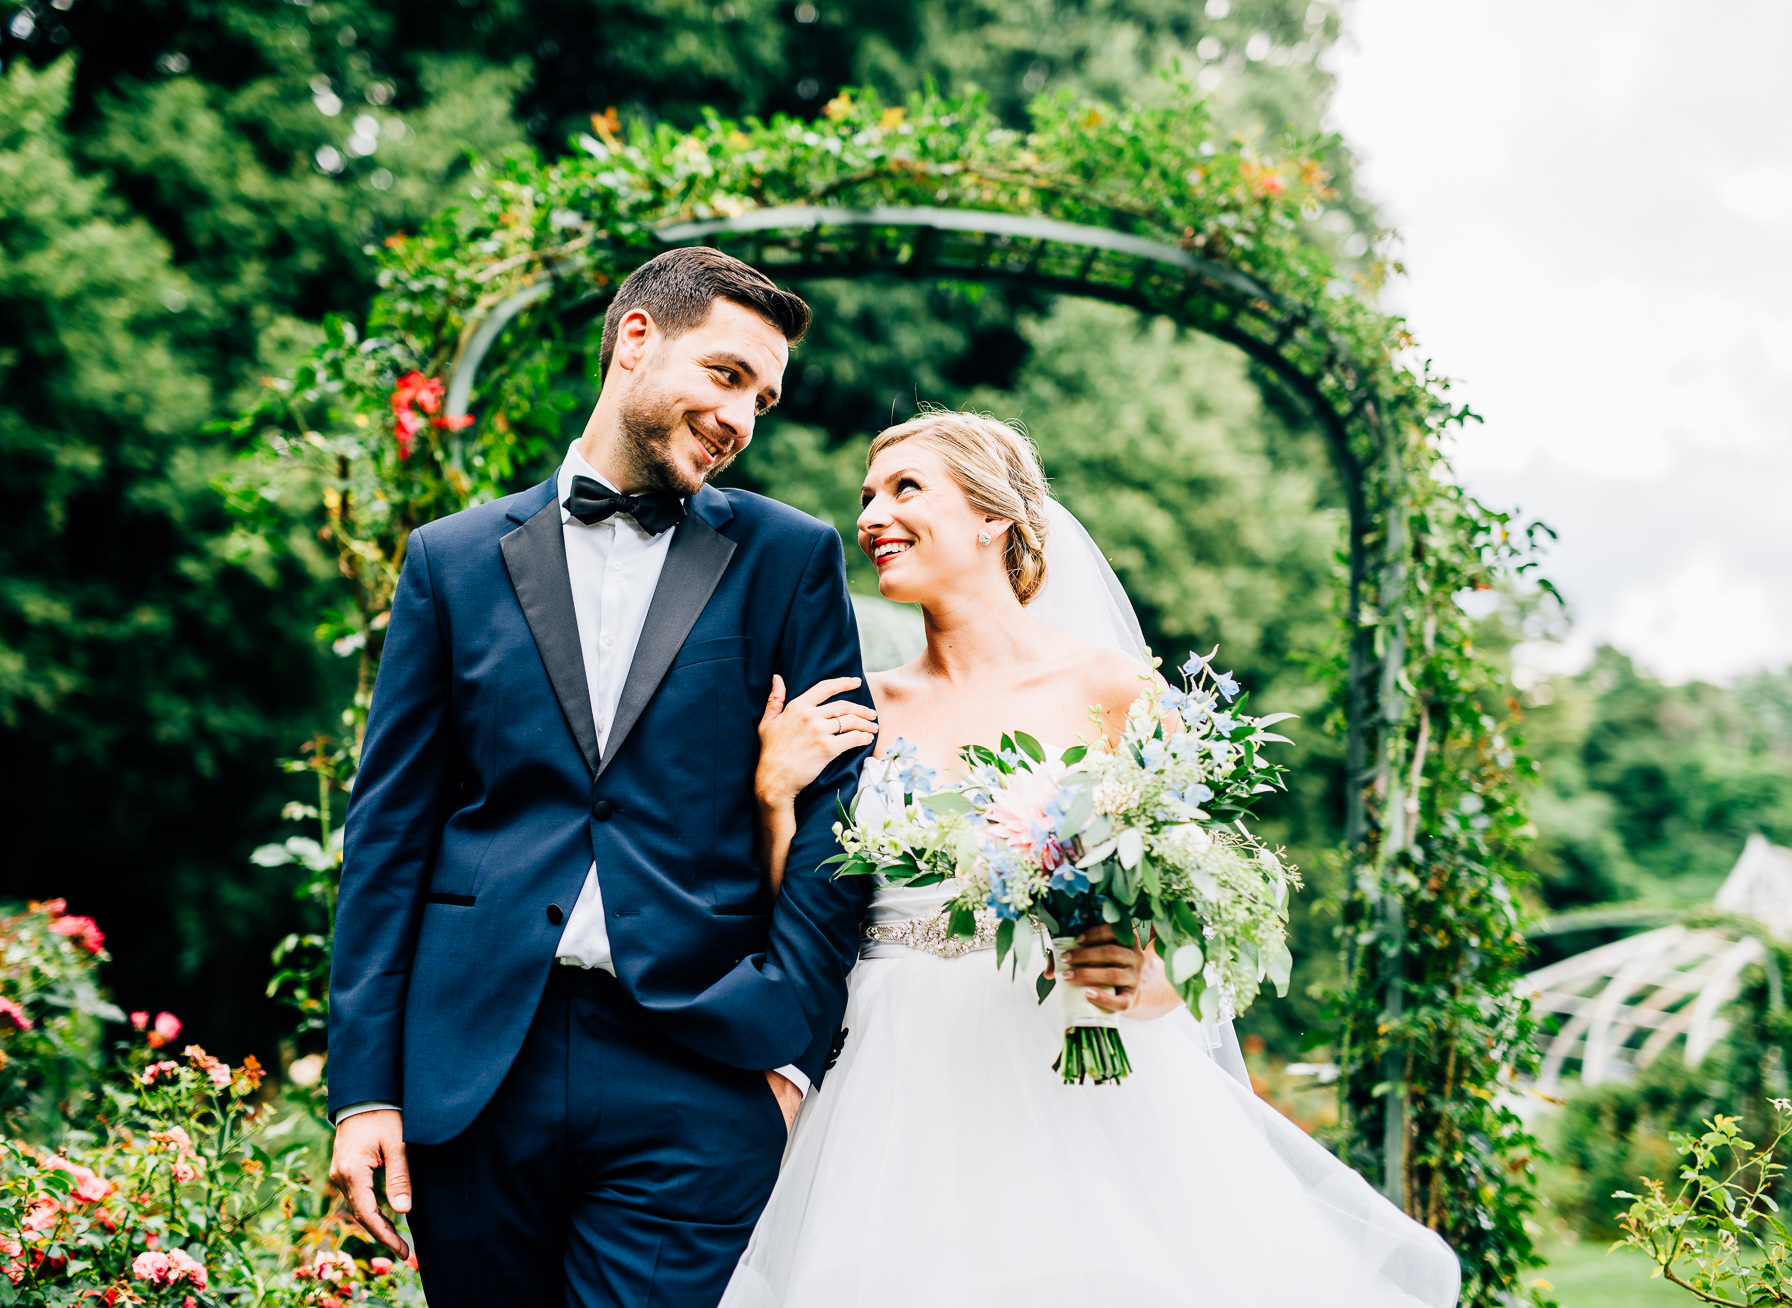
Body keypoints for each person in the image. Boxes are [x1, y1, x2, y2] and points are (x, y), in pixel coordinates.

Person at [721, 411, 1462, 1308]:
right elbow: (798, 921)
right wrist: (771, 794)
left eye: (906, 489)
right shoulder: (858, 707)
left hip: (1069, 1068)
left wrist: (1137, 977)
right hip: (886, 1082)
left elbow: (1197, 932)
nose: (872, 513)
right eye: (868, 496)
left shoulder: (1113, 691)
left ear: (994, 518)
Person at [325, 246, 878, 1307]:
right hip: (475, 1066)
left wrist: (789, 1061)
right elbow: (390, 832)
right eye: (725, 376)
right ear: (635, 339)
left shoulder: (789, 557)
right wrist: (364, 1093)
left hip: (700, 1072)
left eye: (761, 398)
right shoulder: (451, 559)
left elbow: (837, 824)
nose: (741, 419)